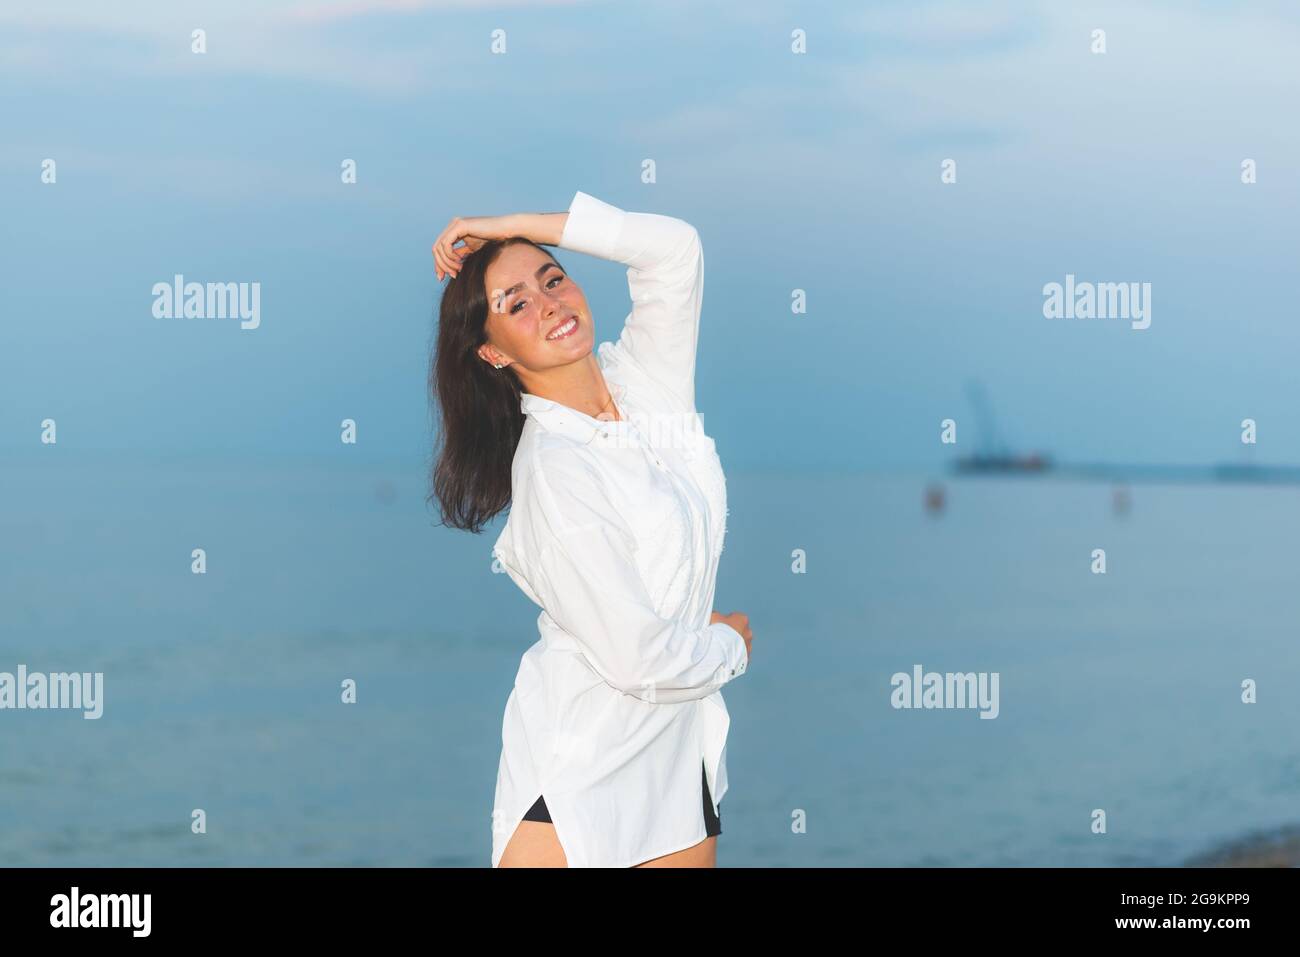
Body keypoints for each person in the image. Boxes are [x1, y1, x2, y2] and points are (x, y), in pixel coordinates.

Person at [429, 190, 754, 868]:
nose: (548, 304)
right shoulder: (555, 471)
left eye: (552, 279)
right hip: (577, 778)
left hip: (676, 759)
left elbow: (674, 251)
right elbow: (639, 659)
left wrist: (508, 225)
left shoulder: (644, 383)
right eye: (514, 304)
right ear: (490, 354)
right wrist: (727, 645)